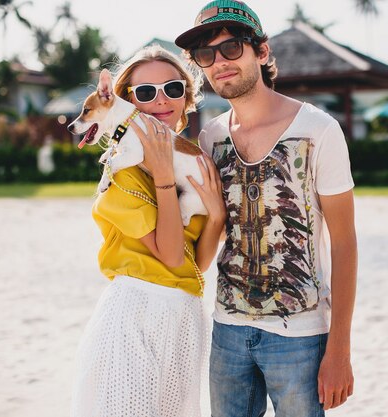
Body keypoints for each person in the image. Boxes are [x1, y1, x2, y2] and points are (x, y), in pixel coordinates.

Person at [175, 2, 358, 416]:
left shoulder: (319, 130)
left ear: (261, 51)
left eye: (232, 48)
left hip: (300, 335)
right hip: (228, 331)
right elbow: (208, 235)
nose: (219, 62)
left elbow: (345, 241)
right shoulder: (211, 140)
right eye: (207, 54)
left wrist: (340, 349)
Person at [70, 45, 226, 417]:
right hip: (135, 314)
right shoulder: (123, 174)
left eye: (172, 88)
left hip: (186, 317)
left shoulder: (196, 167)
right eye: (144, 92)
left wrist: (217, 216)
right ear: (126, 103)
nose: (160, 100)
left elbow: (194, 265)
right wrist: (161, 177)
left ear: (186, 98)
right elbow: (170, 255)